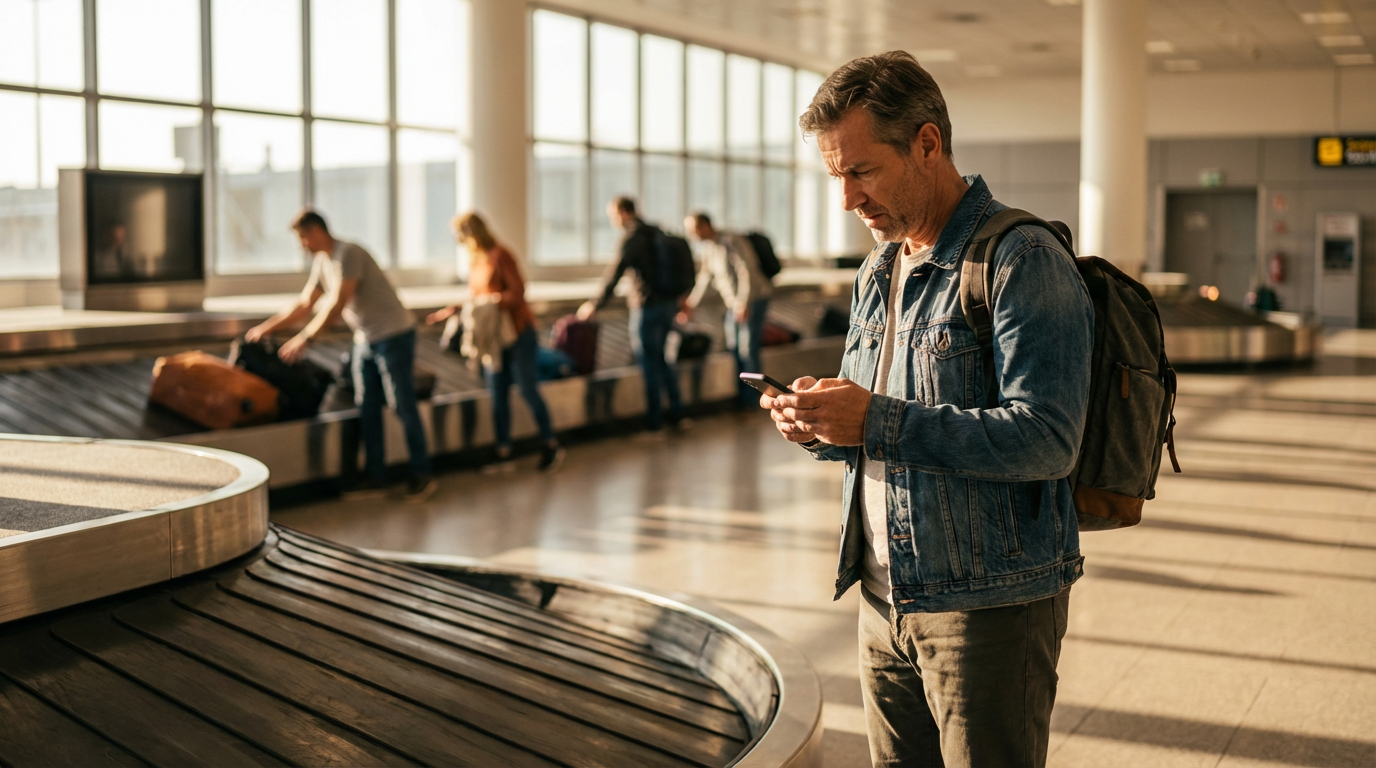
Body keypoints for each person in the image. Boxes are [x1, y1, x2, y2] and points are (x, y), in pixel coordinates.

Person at [762, 51, 1093, 768]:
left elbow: (1048, 439)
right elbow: (869, 418)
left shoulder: (1019, 257)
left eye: (862, 171)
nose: (848, 198)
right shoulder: (878, 270)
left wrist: (874, 420)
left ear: (927, 143)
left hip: (988, 609)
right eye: (835, 177)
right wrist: (819, 424)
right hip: (883, 600)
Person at [246, 210, 437, 503]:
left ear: (317, 231)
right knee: (367, 406)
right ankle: (376, 476)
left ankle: (422, 474)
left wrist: (306, 339)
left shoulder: (348, 253)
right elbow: (305, 303)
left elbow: (338, 303)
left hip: (394, 335)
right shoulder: (323, 263)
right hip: (366, 339)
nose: (302, 245)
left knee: (402, 404)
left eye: (302, 237)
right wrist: (265, 329)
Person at [427, 212, 565, 473]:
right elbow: (476, 296)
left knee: (527, 388)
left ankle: (550, 443)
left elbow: (517, 293)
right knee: (497, 393)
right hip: (494, 339)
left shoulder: (501, 255)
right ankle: (504, 450)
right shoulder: (476, 262)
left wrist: (490, 303)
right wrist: (455, 309)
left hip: (517, 333)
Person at [576, 196, 689, 436]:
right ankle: (678, 413)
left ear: (624, 212)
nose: (613, 221)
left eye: (613, 215)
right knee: (663, 358)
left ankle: (654, 419)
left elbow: (614, 275)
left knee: (648, 361)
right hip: (669, 304)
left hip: (646, 306)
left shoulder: (632, 238)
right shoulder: (656, 232)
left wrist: (595, 305)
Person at [679, 212, 774, 408]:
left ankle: (754, 401)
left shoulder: (731, 241)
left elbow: (747, 271)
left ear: (705, 226)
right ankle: (743, 397)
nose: (691, 235)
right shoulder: (708, 248)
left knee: (748, 350)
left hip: (753, 300)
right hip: (734, 304)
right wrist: (691, 303)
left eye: (692, 229)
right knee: (734, 348)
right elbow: (705, 277)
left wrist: (743, 302)